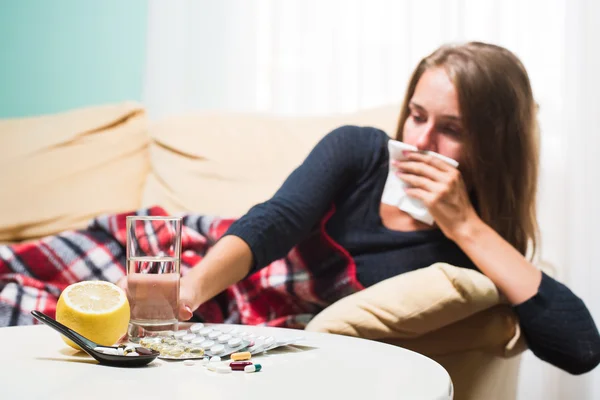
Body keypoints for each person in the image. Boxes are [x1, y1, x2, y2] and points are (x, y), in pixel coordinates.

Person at [123, 42, 600, 374]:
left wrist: (465, 226)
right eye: (416, 116)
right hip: (207, 265)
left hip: (259, 330)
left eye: (451, 129)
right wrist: (185, 293)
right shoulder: (359, 150)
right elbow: (275, 220)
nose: (419, 141)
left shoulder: (475, 250)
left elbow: (581, 350)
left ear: (494, 147)